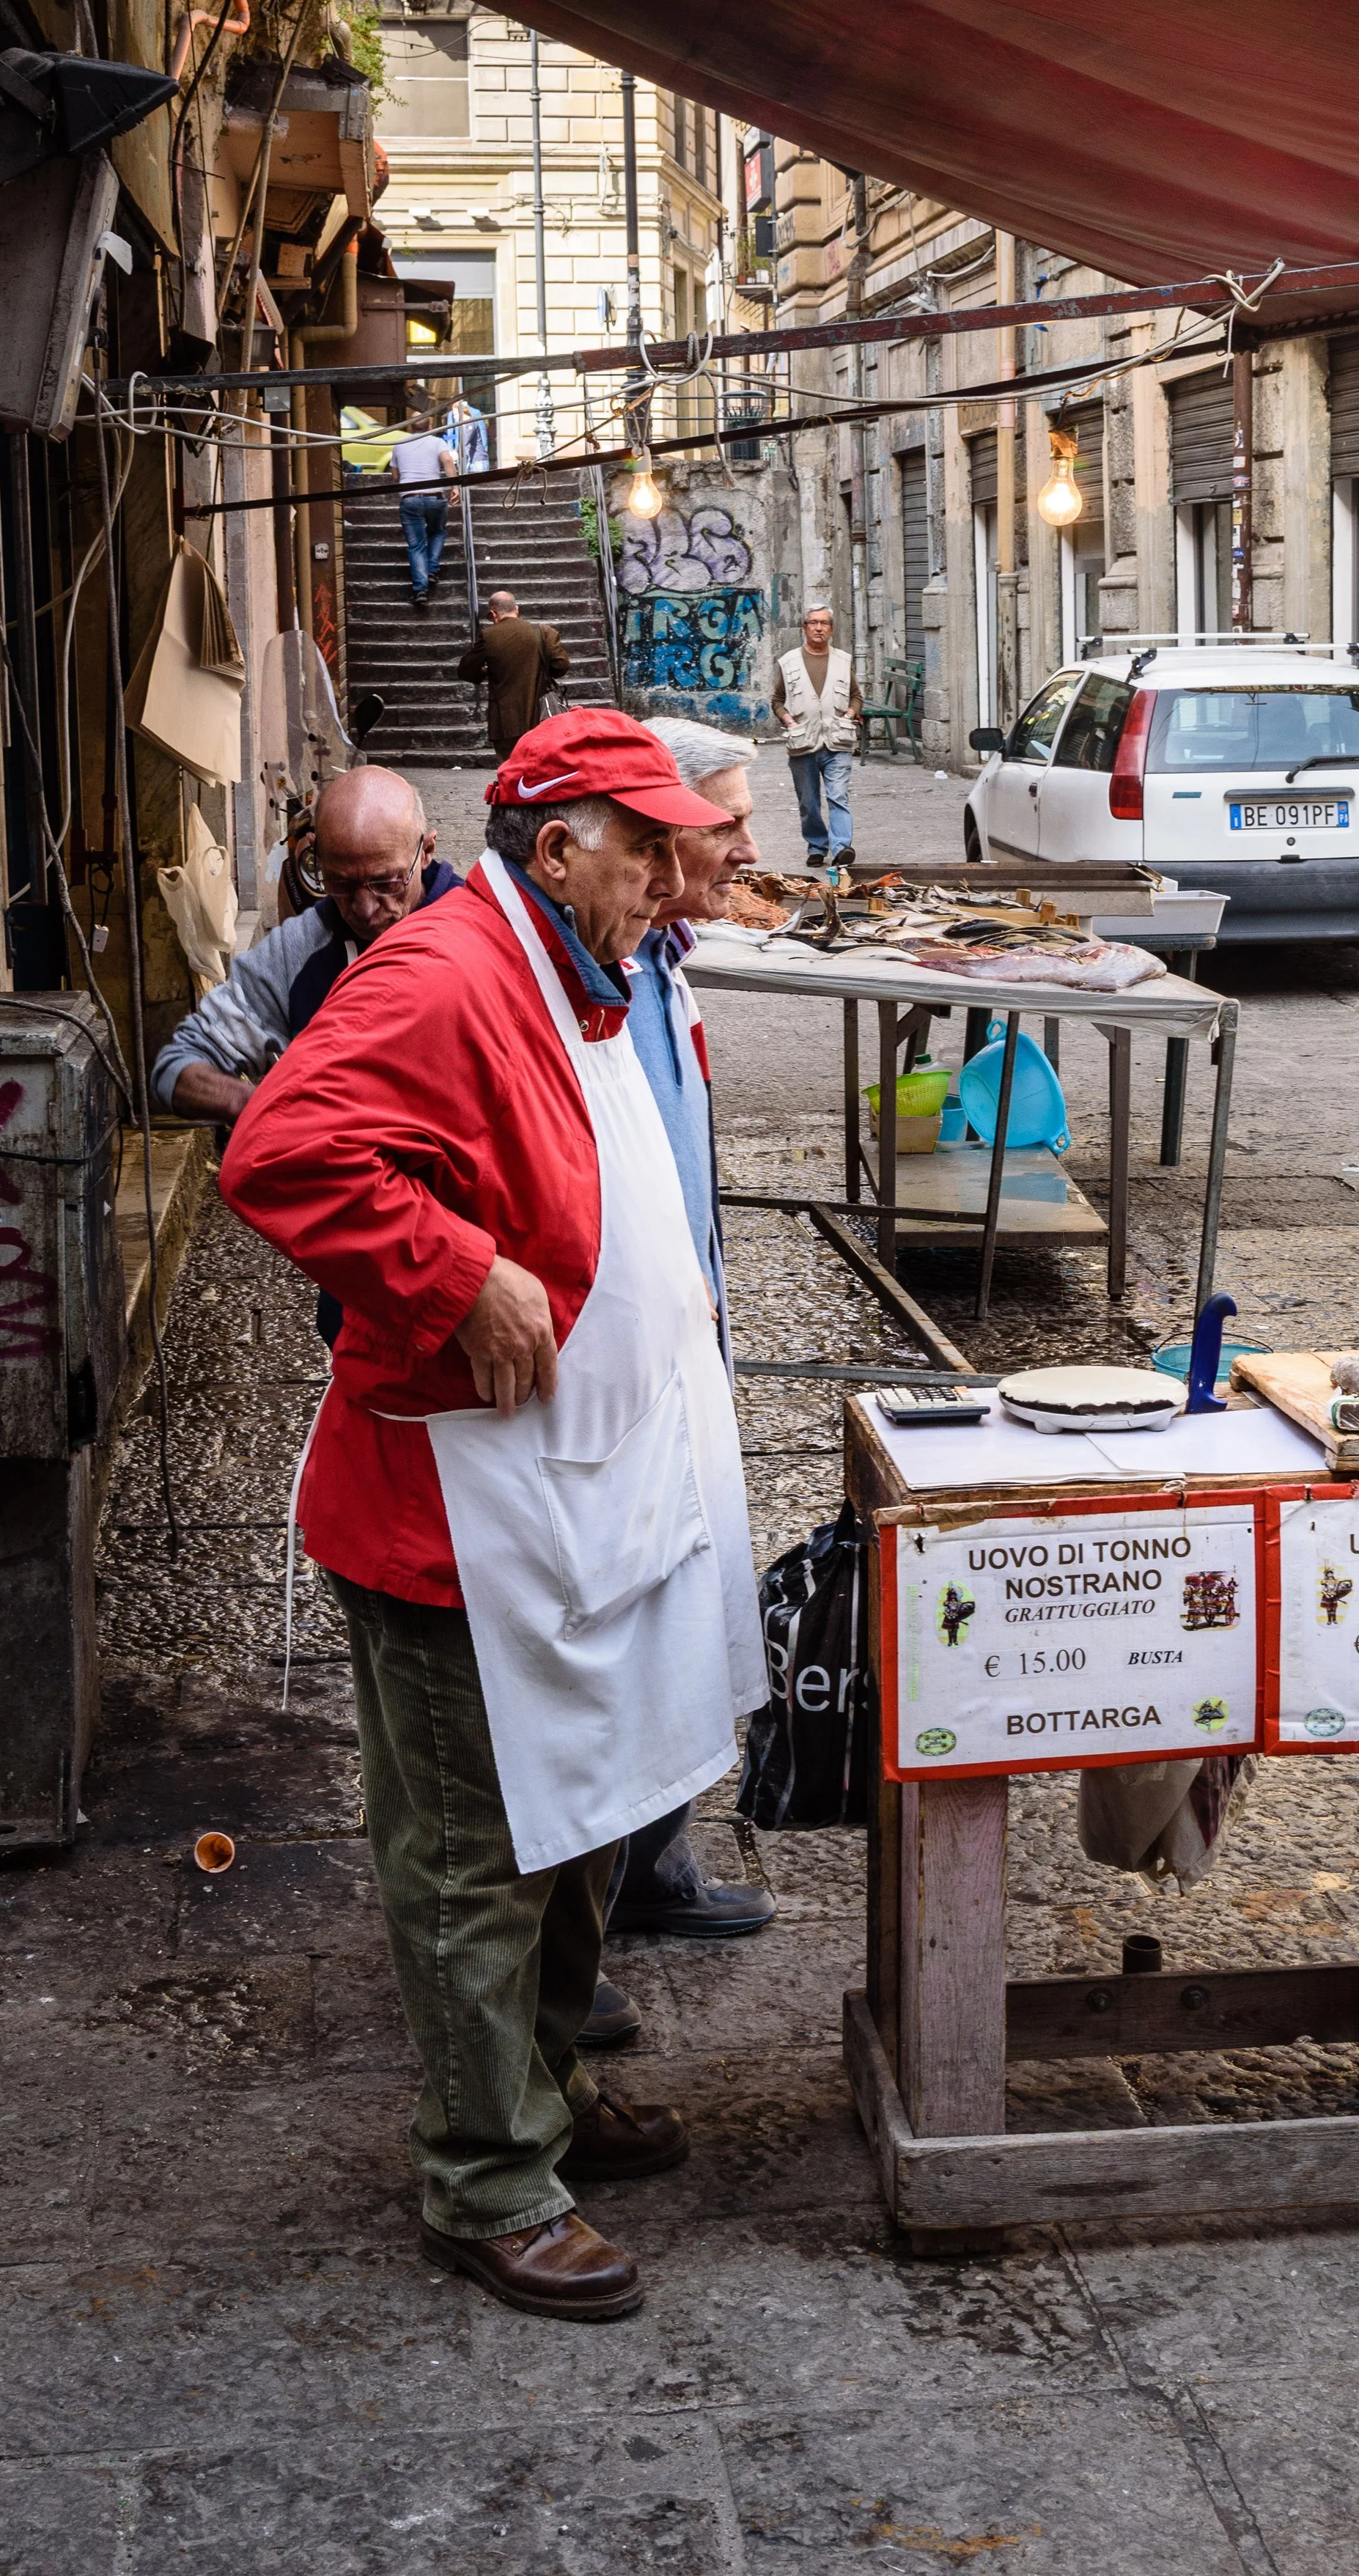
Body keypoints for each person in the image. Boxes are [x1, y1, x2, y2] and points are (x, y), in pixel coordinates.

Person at [220, 709, 765, 2322]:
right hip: (458, 1510)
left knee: (587, 1809)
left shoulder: (590, 962)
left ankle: (545, 2093)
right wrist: (453, 1275)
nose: (679, 875)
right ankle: (486, 2175)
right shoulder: (449, 971)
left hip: (584, 1490)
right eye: (650, 849)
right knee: (477, 1855)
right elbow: (281, 1146)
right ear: (558, 850)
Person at [581, 717, 773, 2013]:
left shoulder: (659, 957)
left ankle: (652, 1862)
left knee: (686, 1611)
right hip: (604, 1354)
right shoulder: (573, 971)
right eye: (728, 823)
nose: (751, 845)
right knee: (607, 1635)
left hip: (677, 1327)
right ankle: (564, 1947)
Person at [151, 766, 460, 1127]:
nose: (364, 909)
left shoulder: (483, 934)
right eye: (339, 883)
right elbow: (176, 1068)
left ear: (426, 851)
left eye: (386, 882)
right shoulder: (297, 951)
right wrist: (276, 1111)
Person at [773, 603, 861, 866]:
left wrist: (849, 714)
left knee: (838, 796)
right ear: (805, 628)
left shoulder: (843, 661)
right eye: (814, 623)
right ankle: (816, 846)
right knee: (808, 802)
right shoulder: (789, 662)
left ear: (831, 629)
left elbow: (856, 696)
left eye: (824, 623)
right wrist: (788, 720)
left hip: (838, 741)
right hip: (803, 742)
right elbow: (777, 699)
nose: (819, 628)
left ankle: (841, 848)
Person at [456, 589, 571, 760]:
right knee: (543, 767)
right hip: (541, 718)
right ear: (516, 609)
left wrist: (487, 671)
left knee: (511, 770)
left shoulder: (489, 636)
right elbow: (561, 665)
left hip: (505, 722)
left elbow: (466, 670)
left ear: (493, 613)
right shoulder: (545, 632)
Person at [391, 408, 460, 607]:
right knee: (437, 532)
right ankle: (431, 570)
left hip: (410, 498)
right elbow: (447, 461)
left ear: (411, 427)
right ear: (430, 426)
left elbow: (395, 477)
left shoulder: (398, 444)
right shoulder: (438, 442)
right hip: (435, 497)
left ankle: (420, 590)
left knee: (416, 545)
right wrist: (455, 487)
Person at [443, 394, 490, 474]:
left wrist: (454, 452)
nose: (454, 417)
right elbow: (450, 432)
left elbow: (466, 439)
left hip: (477, 459)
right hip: (469, 457)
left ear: (462, 413)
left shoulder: (471, 422)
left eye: (456, 415)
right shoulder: (462, 421)